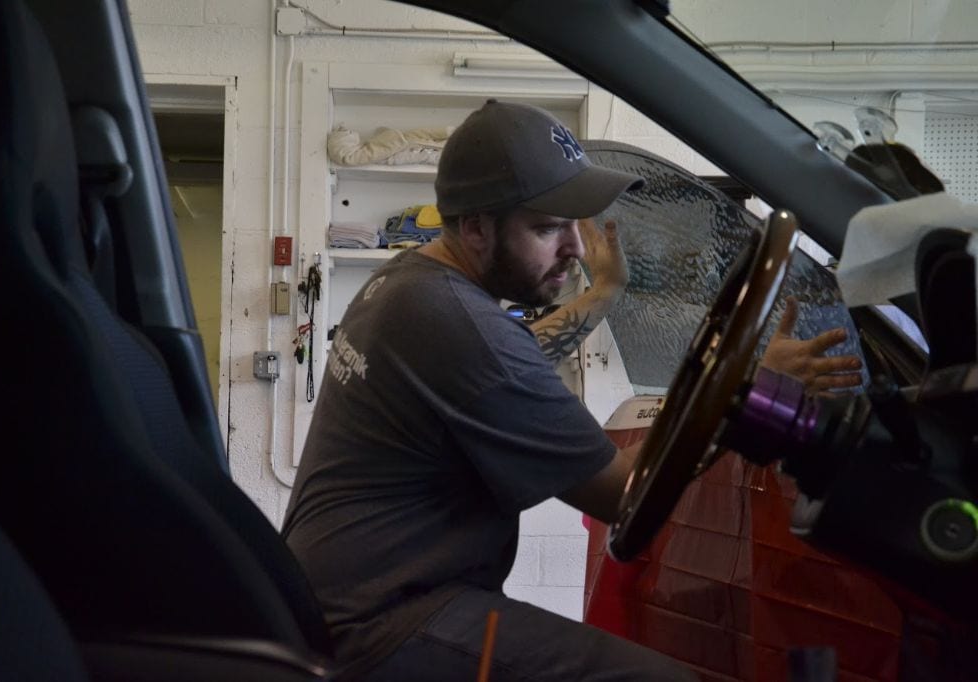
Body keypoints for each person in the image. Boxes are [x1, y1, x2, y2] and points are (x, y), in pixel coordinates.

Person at [282, 99, 862, 681]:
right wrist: (749, 389)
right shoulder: (457, 324)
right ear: (476, 228)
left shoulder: (408, 284)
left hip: (341, 603)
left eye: (574, 225)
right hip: (382, 627)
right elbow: (624, 493)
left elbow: (513, 359)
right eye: (547, 227)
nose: (576, 249)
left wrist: (603, 294)